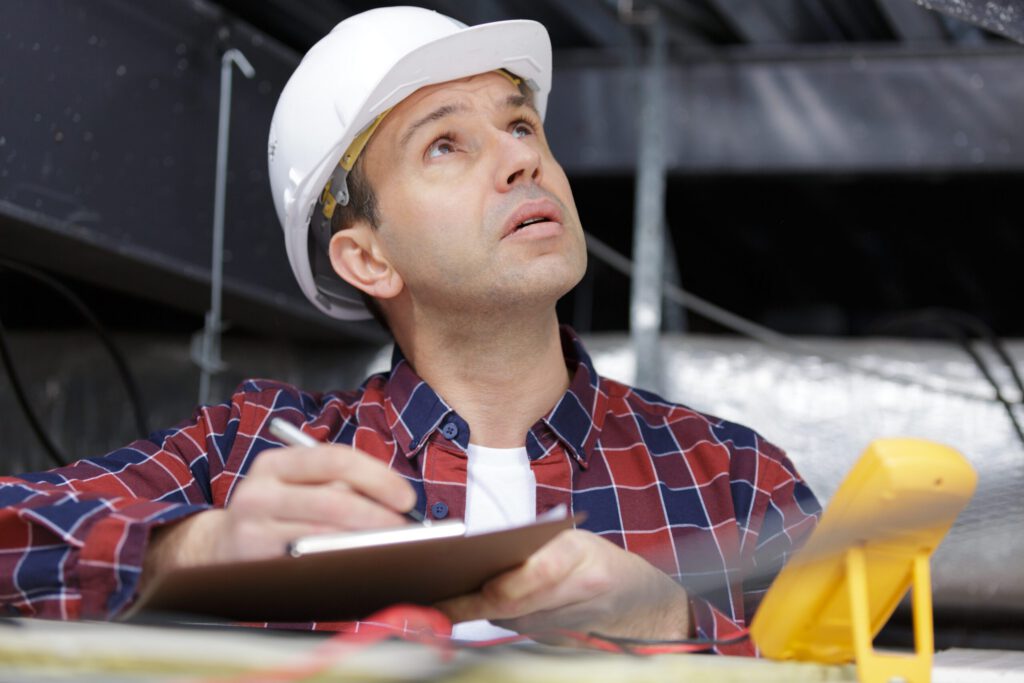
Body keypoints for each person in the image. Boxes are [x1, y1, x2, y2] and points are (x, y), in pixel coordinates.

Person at [0, 6, 820, 654]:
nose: (519, 159)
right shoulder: (251, 453)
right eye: (445, 145)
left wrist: (673, 621)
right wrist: (198, 550)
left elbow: (859, 666)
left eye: (521, 126)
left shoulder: (733, 477)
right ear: (368, 259)